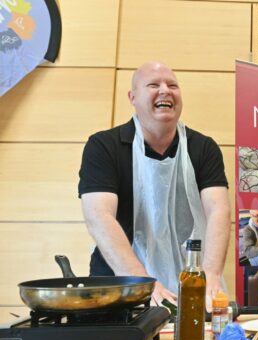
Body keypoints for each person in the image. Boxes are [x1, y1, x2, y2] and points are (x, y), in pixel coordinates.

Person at [78, 61, 230, 308]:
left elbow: (219, 210)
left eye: (172, 85)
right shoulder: (104, 146)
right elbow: (99, 216)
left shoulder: (204, 148)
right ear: (133, 97)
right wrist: (143, 282)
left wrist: (210, 276)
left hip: (191, 285)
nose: (165, 90)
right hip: (120, 285)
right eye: (153, 85)